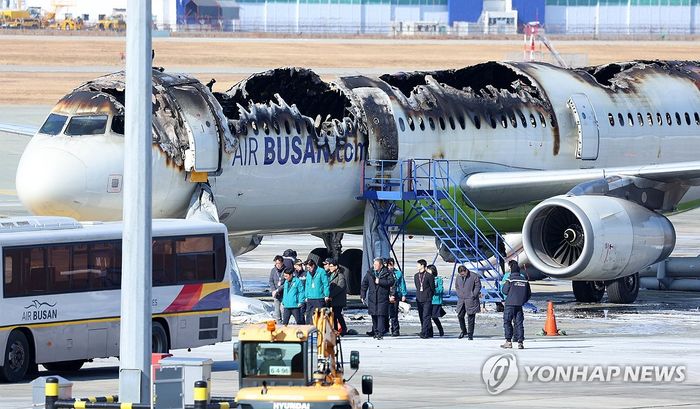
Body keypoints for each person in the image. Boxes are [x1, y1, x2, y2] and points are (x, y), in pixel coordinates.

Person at [361, 257, 395, 340]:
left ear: (381, 265)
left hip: (382, 297)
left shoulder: (387, 272)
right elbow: (364, 284)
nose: (375, 266)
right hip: (372, 298)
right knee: (374, 315)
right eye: (374, 264)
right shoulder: (370, 273)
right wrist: (363, 295)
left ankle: (380, 332)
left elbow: (391, 282)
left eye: (376, 264)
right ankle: (375, 331)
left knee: (381, 315)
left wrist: (380, 281)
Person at [501, 262, 532, 349]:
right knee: (519, 323)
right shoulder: (524, 280)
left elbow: (504, 291)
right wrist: (522, 301)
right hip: (519, 305)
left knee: (507, 322)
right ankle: (520, 342)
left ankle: (508, 341)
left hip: (510, 304)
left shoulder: (510, 279)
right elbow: (529, 294)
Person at [455, 265, 481, 340]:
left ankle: (470, 334)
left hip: (471, 300)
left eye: (463, 274)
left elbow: (478, 286)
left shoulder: (474, 276)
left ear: (466, 271)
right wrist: (459, 293)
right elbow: (457, 286)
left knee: (471, 317)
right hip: (461, 300)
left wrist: (473, 294)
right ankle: (463, 331)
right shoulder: (458, 277)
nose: (462, 275)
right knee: (460, 316)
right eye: (461, 274)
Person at [325, 257, 348, 335]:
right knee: (334, 315)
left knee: (337, 314)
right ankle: (335, 329)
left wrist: (330, 295)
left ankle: (343, 329)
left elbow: (340, 286)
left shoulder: (340, 275)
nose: (330, 268)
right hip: (333, 299)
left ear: (336, 266)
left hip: (338, 299)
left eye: (332, 266)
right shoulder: (330, 275)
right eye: (330, 266)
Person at [304, 259, 330, 325]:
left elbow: (325, 284)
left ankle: (320, 328)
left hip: (319, 297)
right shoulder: (308, 273)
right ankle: (308, 328)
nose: (308, 269)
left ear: (313, 266)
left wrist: (326, 295)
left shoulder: (321, 271)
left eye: (309, 267)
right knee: (309, 314)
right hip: (310, 297)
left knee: (319, 315)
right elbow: (307, 284)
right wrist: (306, 295)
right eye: (307, 268)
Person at [414, 259, 435, 339]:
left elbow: (432, 288)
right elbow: (417, 286)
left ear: (422, 265)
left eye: (418, 264)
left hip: (427, 298)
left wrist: (429, 295)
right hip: (419, 298)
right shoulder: (416, 276)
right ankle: (429, 331)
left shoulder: (429, 276)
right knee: (421, 316)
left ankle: (424, 332)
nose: (417, 266)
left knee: (426, 315)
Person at [387, 258, 407, 337]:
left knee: (394, 313)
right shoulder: (385, 273)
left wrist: (403, 294)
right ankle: (385, 328)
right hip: (386, 295)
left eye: (391, 265)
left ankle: (395, 329)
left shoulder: (398, 273)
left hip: (396, 294)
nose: (390, 267)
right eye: (389, 265)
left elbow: (402, 284)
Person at [428, 264, 444, 337]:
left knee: (434, 316)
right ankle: (430, 331)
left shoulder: (438, 279)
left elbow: (441, 289)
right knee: (427, 316)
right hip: (428, 300)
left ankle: (440, 329)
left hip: (436, 300)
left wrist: (433, 290)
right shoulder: (427, 278)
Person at [268, 255, 286, 323]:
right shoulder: (273, 270)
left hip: (283, 293)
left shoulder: (285, 270)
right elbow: (271, 281)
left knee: (283, 310)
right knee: (277, 310)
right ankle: (279, 324)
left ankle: (285, 323)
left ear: (282, 263)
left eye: (279, 263)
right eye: (276, 263)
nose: (278, 265)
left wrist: (278, 290)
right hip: (276, 294)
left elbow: (286, 283)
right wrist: (273, 290)